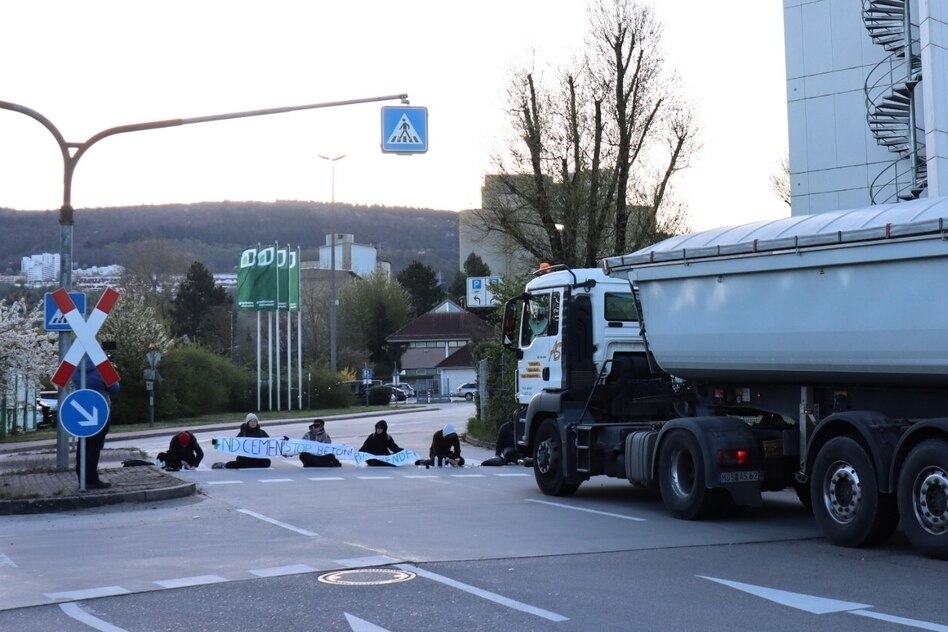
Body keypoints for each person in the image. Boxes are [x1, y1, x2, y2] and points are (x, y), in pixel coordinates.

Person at [72, 358, 121, 489]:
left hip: (81, 411)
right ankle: (92, 479)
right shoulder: (104, 368)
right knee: (95, 446)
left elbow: (67, 381)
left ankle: (82, 477)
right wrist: (114, 375)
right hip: (100, 411)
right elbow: (115, 389)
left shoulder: (75, 368)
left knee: (83, 444)